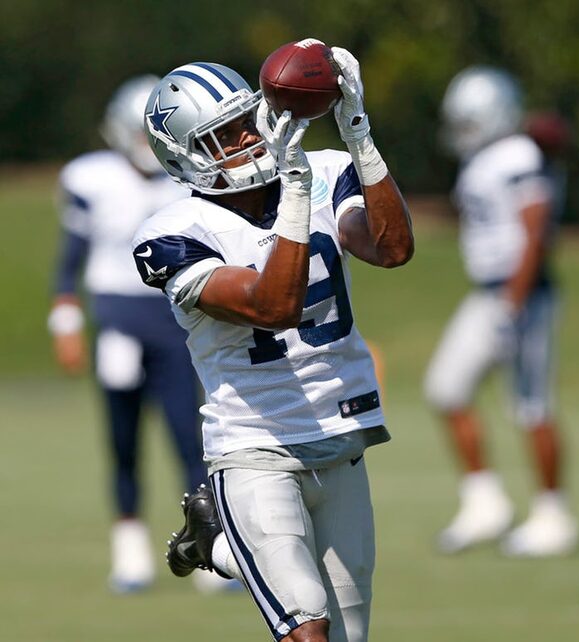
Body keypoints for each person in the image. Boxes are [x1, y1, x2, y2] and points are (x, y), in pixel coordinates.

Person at [131, 48, 413, 642]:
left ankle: (221, 545)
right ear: (186, 156)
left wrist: (359, 136)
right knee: (305, 631)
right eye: (223, 136)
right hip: (255, 448)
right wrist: (294, 193)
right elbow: (272, 305)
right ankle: (228, 540)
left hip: (340, 438)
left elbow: (391, 249)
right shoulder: (173, 234)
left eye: (246, 122)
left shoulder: (327, 169)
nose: (248, 140)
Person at [48, 76, 209, 593]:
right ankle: (130, 551)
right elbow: (69, 259)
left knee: (192, 438)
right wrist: (66, 320)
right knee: (123, 438)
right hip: (117, 322)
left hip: (178, 322)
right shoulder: (90, 177)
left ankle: (209, 548)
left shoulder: (188, 177)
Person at [423, 66, 578, 557]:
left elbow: (535, 229)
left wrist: (515, 295)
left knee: (531, 404)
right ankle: (484, 502)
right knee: (446, 388)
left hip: (522, 292)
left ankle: (554, 514)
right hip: (488, 291)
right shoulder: (485, 158)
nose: (464, 131)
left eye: (471, 120)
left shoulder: (517, 156)